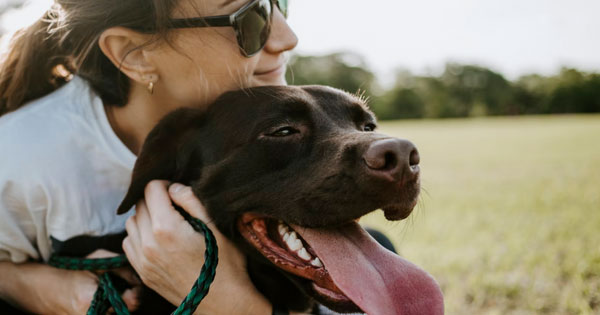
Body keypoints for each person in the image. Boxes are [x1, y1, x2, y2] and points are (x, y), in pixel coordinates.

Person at [0, 0, 297, 313]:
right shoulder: (16, 157)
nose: (287, 37)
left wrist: (228, 300)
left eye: (278, 2)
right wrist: (27, 284)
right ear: (134, 54)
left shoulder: (287, 139)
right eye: (252, 16)